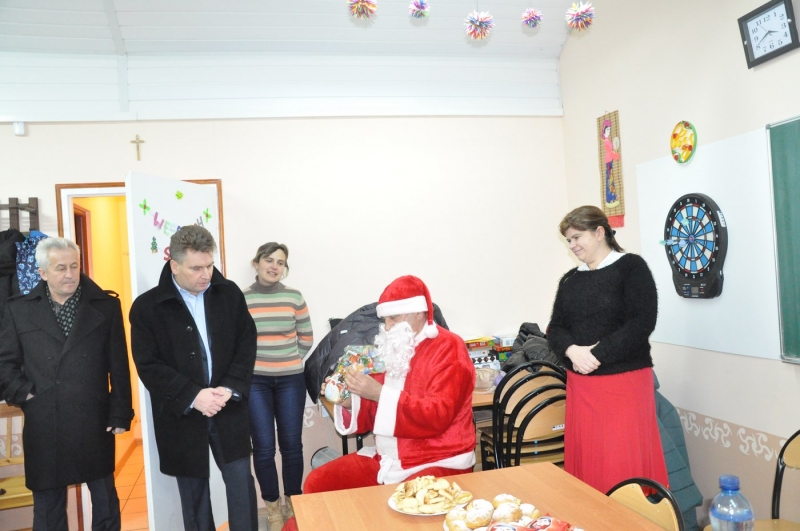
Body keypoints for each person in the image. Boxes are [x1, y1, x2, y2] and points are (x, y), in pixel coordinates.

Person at [129, 226, 258, 531]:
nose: (206, 274)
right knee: (193, 499)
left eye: (210, 265)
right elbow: (148, 365)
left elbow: (246, 342)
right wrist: (192, 396)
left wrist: (229, 387)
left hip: (228, 406)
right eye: (196, 268)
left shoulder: (229, 294)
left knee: (241, 486)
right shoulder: (147, 307)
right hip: (182, 415)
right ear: (174, 265)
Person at [0, 237, 133, 531]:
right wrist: (26, 394)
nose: (70, 274)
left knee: (105, 501)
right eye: (61, 268)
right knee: (48, 508)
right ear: (42, 272)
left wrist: (120, 412)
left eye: (74, 266)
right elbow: (5, 363)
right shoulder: (18, 309)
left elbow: (119, 365)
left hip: (94, 419)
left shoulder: (106, 306)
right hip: (45, 418)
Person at [303, 275, 476, 493]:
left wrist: (378, 393)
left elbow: (437, 415)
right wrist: (348, 402)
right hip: (388, 458)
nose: (387, 327)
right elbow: (375, 410)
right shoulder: (392, 348)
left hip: (437, 460)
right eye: (385, 320)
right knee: (318, 483)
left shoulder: (449, 347)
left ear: (418, 312)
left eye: (393, 318)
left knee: (404, 504)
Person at [547, 205, 668, 494]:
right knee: (589, 464)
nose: (572, 245)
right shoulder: (570, 279)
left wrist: (595, 355)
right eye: (569, 240)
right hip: (582, 385)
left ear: (600, 233)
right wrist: (572, 351)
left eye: (577, 237)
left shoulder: (631, 268)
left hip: (623, 384)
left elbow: (641, 322)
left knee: (622, 464)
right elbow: (556, 327)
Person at [242, 242, 313, 529]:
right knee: (263, 448)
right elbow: (237, 341)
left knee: (292, 447)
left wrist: (289, 360)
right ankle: (272, 509)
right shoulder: (242, 298)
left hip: (290, 381)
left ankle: (293, 505)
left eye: (280, 262)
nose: (274, 266)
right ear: (256, 263)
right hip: (255, 382)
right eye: (269, 260)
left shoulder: (293, 296)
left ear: (285, 267)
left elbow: (306, 337)